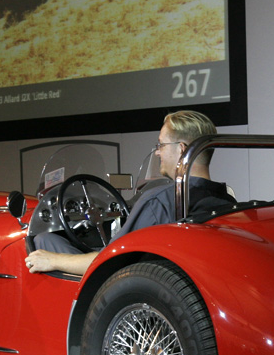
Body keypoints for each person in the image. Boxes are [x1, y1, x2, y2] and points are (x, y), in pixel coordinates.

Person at [25, 110, 235, 276]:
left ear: (181, 149)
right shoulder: (226, 199)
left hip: (134, 294)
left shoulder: (159, 201)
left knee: (45, 240)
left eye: (161, 145)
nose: (158, 152)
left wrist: (52, 260)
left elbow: (110, 259)